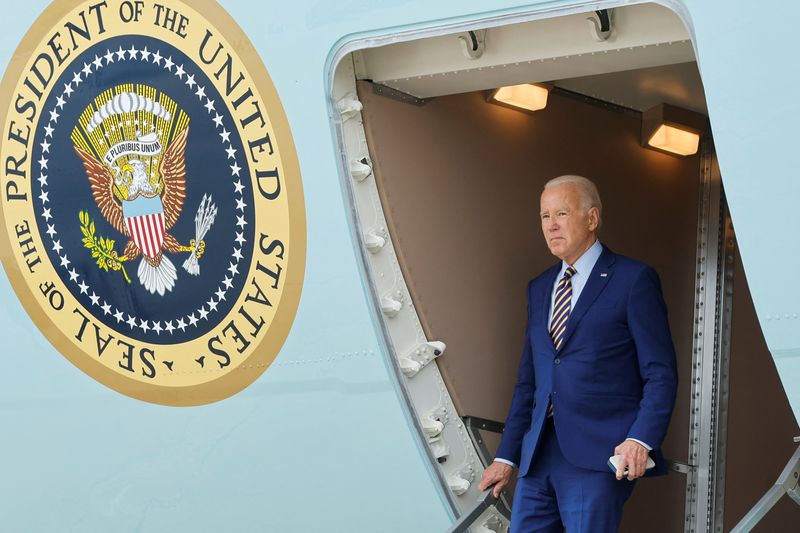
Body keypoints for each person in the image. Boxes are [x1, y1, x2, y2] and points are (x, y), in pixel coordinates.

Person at [478, 175, 678, 532]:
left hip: (599, 453)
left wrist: (640, 439)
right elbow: (530, 381)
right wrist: (506, 456)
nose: (551, 225)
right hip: (538, 454)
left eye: (562, 214)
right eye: (544, 216)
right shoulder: (539, 287)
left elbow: (660, 372)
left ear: (592, 218)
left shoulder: (633, 280)